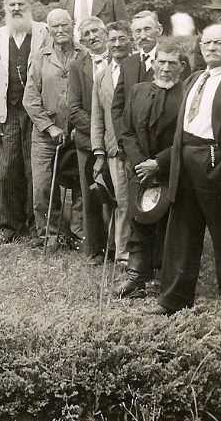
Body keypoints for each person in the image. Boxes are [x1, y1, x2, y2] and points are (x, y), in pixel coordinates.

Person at [149, 24, 221, 319]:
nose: (212, 48)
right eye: (206, 43)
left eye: (219, 43)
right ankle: (174, 299)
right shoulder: (194, 78)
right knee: (181, 232)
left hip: (214, 159)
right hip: (186, 159)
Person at [116, 39, 185, 299]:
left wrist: (159, 163)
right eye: (162, 62)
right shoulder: (137, 90)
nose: (166, 68)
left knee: (168, 225)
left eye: (172, 63)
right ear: (154, 63)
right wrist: (139, 163)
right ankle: (137, 276)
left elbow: (183, 137)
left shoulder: (187, 94)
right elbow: (127, 132)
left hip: (169, 169)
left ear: (181, 67)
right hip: (140, 169)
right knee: (139, 219)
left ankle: (163, 277)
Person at [0, 0, 49, 242]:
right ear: (5, 7)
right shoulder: (0, 35)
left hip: (36, 112)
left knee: (34, 168)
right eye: (11, 4)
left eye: (21, 3)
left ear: (30, 5)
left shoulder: (43, 32)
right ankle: (9, 226)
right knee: (8, 167)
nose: (16, 8)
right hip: (9, 110)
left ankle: (36, 227)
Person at [23, 9, 79, 249]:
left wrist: (80, 127)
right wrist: (49, 127)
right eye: (55, 27)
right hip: (46, 134)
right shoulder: (40, 57)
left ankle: (79, 235)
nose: (60, 31)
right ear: (48, 30)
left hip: (78, 132)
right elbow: (30, 98)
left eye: (64, 25)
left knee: (79, 185)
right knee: (43, 185)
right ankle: (49, 235)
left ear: (72, 26)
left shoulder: (83, 55)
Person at [67, 16, 112, 260]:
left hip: (117, 142)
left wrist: (112, 133)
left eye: (96, 31)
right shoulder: (77, 66)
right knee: (91, 195)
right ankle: (96, 249)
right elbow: (73, 109)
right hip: (87, 142)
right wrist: (99, 132)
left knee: (117, 195)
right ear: (81, 41)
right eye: (87, 35)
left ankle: (119, 248)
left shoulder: (119, 62)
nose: (92, 37)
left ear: (105, 33)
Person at [90, 21, 134, 264]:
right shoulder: (101, 75)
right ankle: (123, 254)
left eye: (122, 39)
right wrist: (99, 152)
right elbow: (97, 117)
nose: (117, 44)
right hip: (113, 148)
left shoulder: (138, 68)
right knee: (122, 202)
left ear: (130, 40)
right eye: (113, 39)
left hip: (137, 147)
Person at [112, 11, 164, 138]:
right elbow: (117, 107)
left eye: (147, 29)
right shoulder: (128, 64)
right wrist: (124, 141)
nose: (142, 36)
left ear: (159, 30)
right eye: (137, 31)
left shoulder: (171, 60)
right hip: (131, 144)